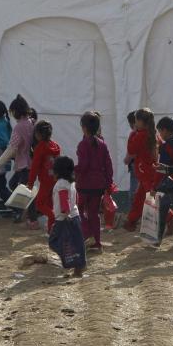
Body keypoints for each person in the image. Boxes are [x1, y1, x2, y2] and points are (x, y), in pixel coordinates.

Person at [0, 95, 36, 225]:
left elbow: (11, 148)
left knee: (26, 192)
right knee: (14, 185)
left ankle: (32, 219)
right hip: (30, 163)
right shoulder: (31, 122)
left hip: (24, 165)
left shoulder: (19, 127)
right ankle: (24, 211)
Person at [75, 111, 113, 251]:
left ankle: (87, 233)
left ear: (84, 128)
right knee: (94, 214)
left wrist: (73, 172)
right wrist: (108, 183)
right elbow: (108, 165)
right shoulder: (102, 144)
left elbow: (83, 165)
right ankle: (97, 242)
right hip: (98, 185)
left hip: (84, 184)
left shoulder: (83, 144)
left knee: (78, 210)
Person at [49, 156, 86, 278]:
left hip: (65, 218)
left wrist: (65, 214)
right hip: (74, 216)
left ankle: (72, 262)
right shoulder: (71, 183)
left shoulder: (60, 184)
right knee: (76, 243)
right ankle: (78, 267)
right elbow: (76, 199)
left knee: (55, 242)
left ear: (57, 171)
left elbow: (64, 201)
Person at [124, 108, 160, 231]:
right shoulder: (153, 134)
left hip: (145, 171)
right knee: (140, 198)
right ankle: (131, 220)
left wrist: (133, 134)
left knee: (151, 198)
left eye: (136, 121)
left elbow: (131, 150)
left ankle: (169, 219)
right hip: (150, 170)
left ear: (140, 121)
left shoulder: (140, 135)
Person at [28, 120, 62, 233]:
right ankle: (51, 229)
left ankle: (53, 219)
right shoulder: (56, 146)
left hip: (45, 181)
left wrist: (30, 183)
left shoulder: (40, 148)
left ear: (38, 134)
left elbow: (35, 167)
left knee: (40, 204)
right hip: (56, 179)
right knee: (50, 203)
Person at [155, 116, 173, 241]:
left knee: (166, 208)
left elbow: (163, 168)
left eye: (160, 131)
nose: (160, 134)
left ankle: (158, 238)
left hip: (171, 181)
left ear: (165, 130)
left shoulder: (166, 146)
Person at [123, 111, 138, 213]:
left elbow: (132, 152)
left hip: (136, 166)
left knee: (134, 193)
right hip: (146, 167)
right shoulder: (151, 133)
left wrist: (126, 160)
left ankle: (134, 216)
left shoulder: (134, 134)